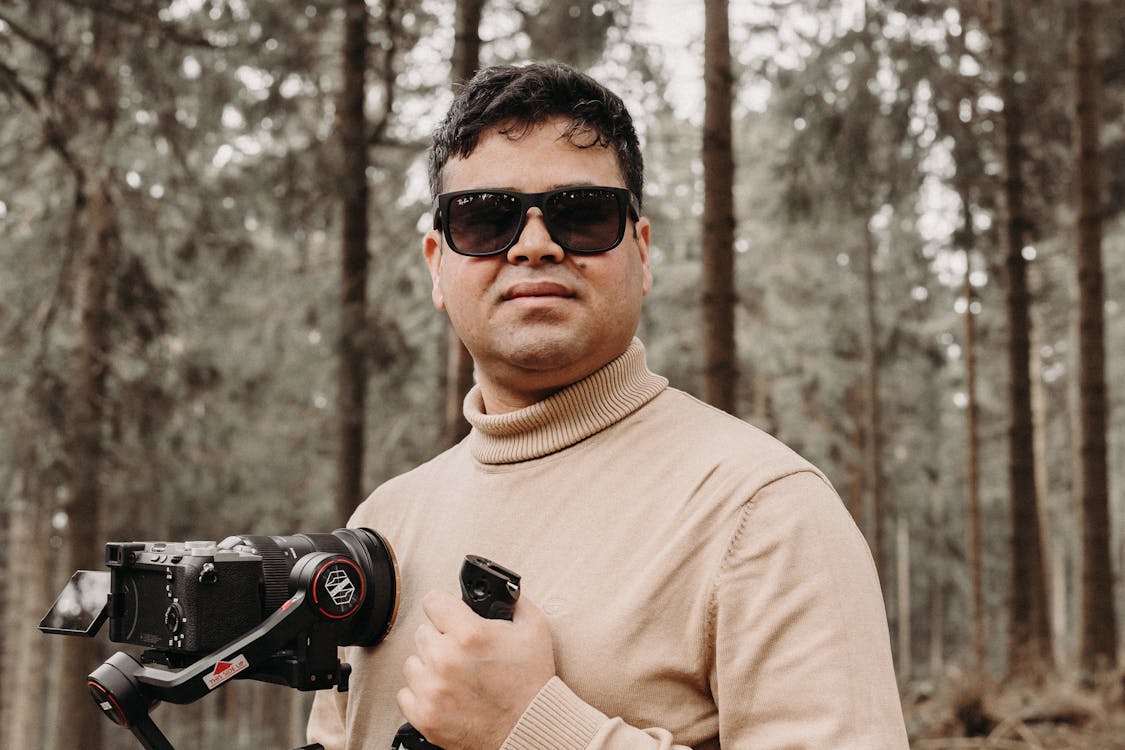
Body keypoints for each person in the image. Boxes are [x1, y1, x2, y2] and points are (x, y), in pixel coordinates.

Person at [307, 61, 909, 750]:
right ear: (436, 265)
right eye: (484, 219)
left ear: (642, 253)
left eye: (581, 215)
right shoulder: (380, 527)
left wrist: (532, 728)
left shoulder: (762, 511)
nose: (534, 246)